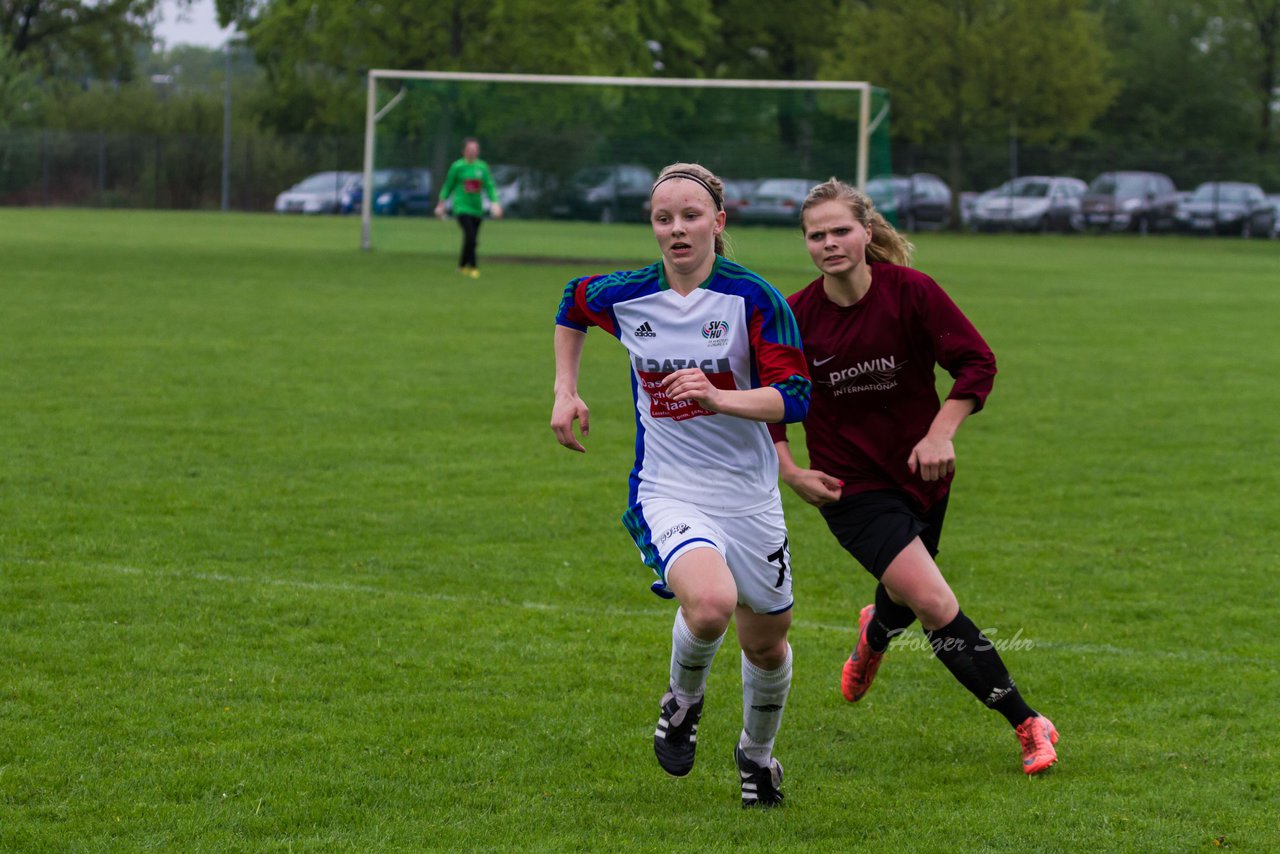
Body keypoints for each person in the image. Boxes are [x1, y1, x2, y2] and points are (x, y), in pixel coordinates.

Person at [769, 177, 1059, 775]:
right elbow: (767, 398)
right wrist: (789, 469)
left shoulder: (911, 293)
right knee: (932, 598)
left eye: (841, 230)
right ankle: (1029, 723)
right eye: (816, 235)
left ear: (866, 232)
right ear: (806, 243)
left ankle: (876, 630)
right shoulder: (795, 317)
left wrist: (940, 432)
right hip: (848, 488)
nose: (829, 243)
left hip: (922, 472)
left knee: (904, 599)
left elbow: (976, 362)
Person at [551, 163, 812, 807]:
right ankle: (682, 702)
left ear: (717, 224)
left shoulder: (752, 299)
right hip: (669, 487)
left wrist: (720, 398)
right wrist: (565, 389)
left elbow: (796, 397)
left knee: (768, 645)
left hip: (750, 497)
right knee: (710, 604)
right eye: (663, 218)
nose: (676, 229)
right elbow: (572, 303)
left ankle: (756, 758)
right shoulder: (630, 293)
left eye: (691, 216)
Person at [434, 137, 502, 278]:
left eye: (475, 150)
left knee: (471, 238)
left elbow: (489, 186)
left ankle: (462, 266)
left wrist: (495, 203)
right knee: (471, 237)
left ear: (478, 151)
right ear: (463, 151)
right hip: (461, 207)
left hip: (477, 208)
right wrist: (441, 204)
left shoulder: (482, 167)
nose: (472, 152)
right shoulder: (457, 167)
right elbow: (448, 186)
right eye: (469, 150)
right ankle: (474, 267)